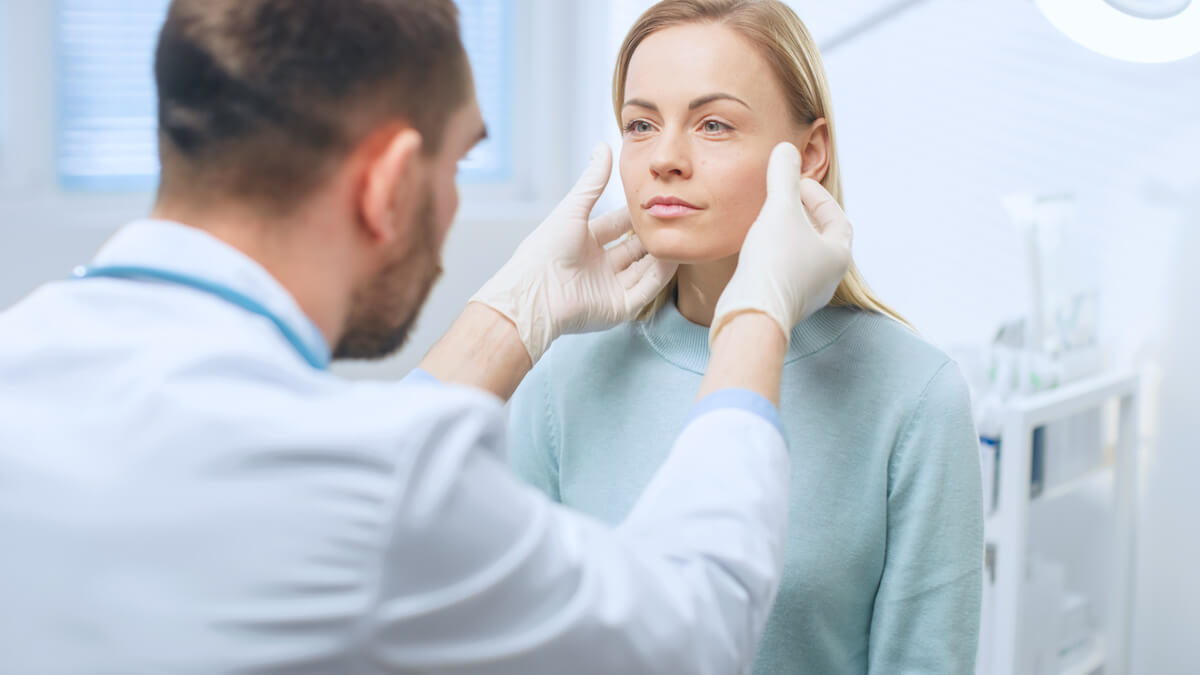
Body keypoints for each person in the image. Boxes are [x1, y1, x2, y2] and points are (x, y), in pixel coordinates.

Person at [0, 1, 855, 673]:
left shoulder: (22, 358)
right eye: (453, 168)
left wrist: (516, 315)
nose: (450, 213)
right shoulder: (375, 488)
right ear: (385, 185)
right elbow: (689, 633)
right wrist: (758, 313)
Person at [508, 1, 984, 673]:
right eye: (641, 124)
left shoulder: (914, 394)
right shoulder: (564, 378)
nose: (665, 159)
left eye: (713, 124)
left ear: (810, 154)